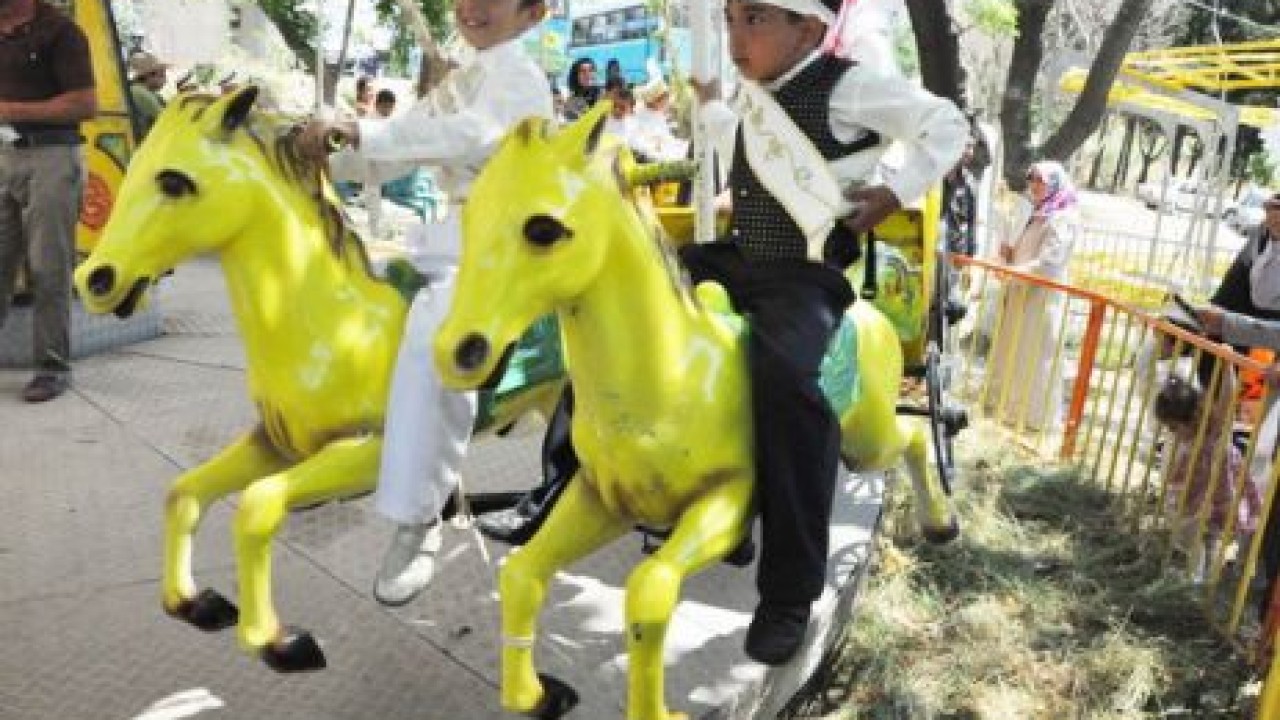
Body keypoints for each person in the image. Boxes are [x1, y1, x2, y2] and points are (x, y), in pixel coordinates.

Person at [480, 0, 967, 667]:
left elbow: (948, 124)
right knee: (611, 310)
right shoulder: (754, 93)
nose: (737, 35)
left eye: (756, 20)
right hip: (739, 257)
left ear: (808, 28)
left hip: (803, 275)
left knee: (790, 381)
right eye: (733, 18)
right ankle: (562, 480)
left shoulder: (849, 87)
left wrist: (894, 191)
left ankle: (788, 593)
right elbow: (739, 148)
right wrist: (711, 116)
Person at [297, 0, 553, 607]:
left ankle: (420, 515)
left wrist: (360, 129)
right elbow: (405, 145)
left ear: (532, 13)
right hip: (452, 237)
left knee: (436, 333)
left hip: (502, 243)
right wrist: (327, 155)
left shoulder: (519, 76)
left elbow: (469, 136)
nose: (472, 8)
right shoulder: (465, 77)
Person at [0, 0, 97, 403]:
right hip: (4, 153)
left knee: (48, 265)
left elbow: (85, 104)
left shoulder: (61, 32)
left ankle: (52, 368)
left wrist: (10, 111)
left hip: (52, 156)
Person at [986, 161, 1080, 431]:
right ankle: (1009, 409)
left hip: (1041, 300)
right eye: (1032, 179)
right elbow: (1027, 251)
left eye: (1041, 181)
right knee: (1015, 351)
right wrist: (1008, 255)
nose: (1035, 186)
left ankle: (1034, 418)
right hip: (1022, 293)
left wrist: (1013, 272)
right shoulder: (1038, 213)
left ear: (1055, 184)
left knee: (1036, 357)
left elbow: (1049, 264)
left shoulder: (1063, 218)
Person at [1153, 373, 1261, 583]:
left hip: (1217, 496)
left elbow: (1229, 394)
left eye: (1174, 427)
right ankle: (1199, 576)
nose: (1172, 433)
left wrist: (1227, 365)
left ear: (1193, 418)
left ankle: (1199, 579)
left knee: (1206, 537)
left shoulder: (1211, 430)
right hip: (1197, 498)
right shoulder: (1187, 440)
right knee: (1196, 536)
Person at [127, 51, 168, 138]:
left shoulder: (147, 91)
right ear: (149, 75)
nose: (165, 79)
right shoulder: (139, 92)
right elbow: (165, 118)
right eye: (162, 75)